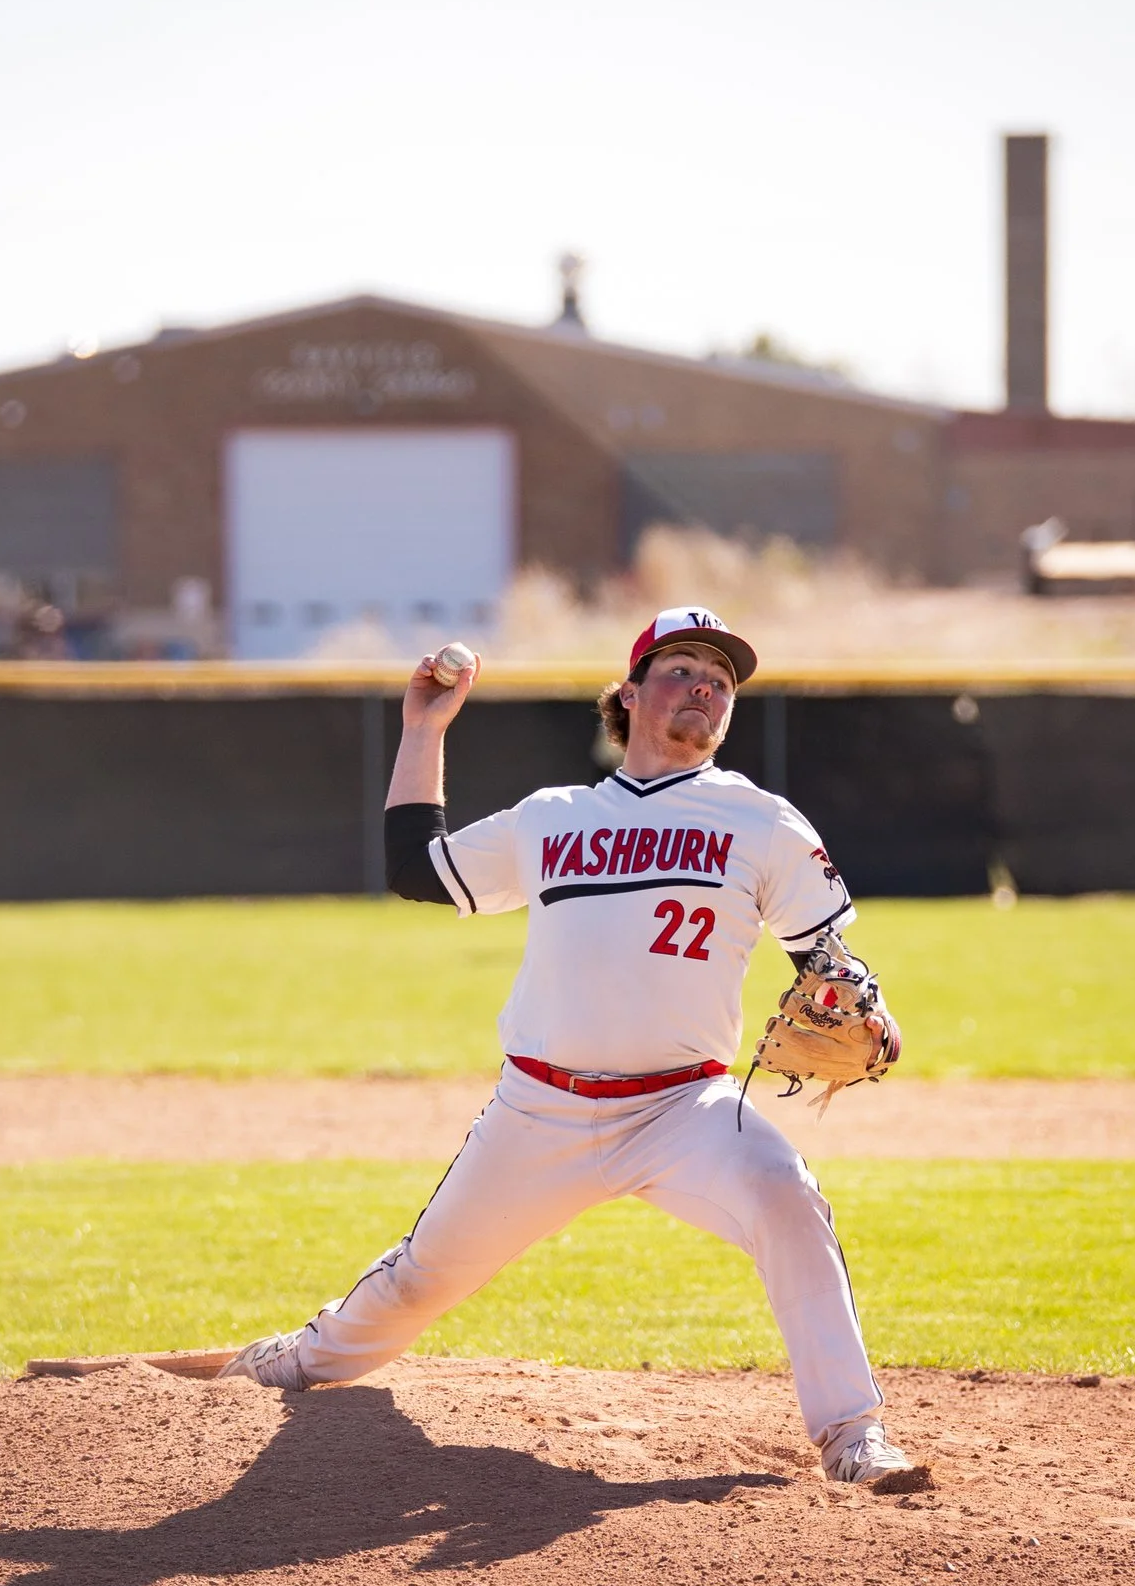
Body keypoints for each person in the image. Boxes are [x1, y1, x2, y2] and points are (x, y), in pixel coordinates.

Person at [220, 607, 931, 1493]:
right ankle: (293, 1360)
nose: (704, 689)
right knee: (412, 1287)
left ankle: (854, 1437)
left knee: (788, 1196)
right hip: (539, 1111)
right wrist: (422, 729)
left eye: (721, 681)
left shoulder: (761, 820)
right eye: (681, 670)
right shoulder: (552, 818)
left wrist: (872, 1006)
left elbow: (826, 957)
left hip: (686, 1108)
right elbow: (417, 868)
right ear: (629, 695)